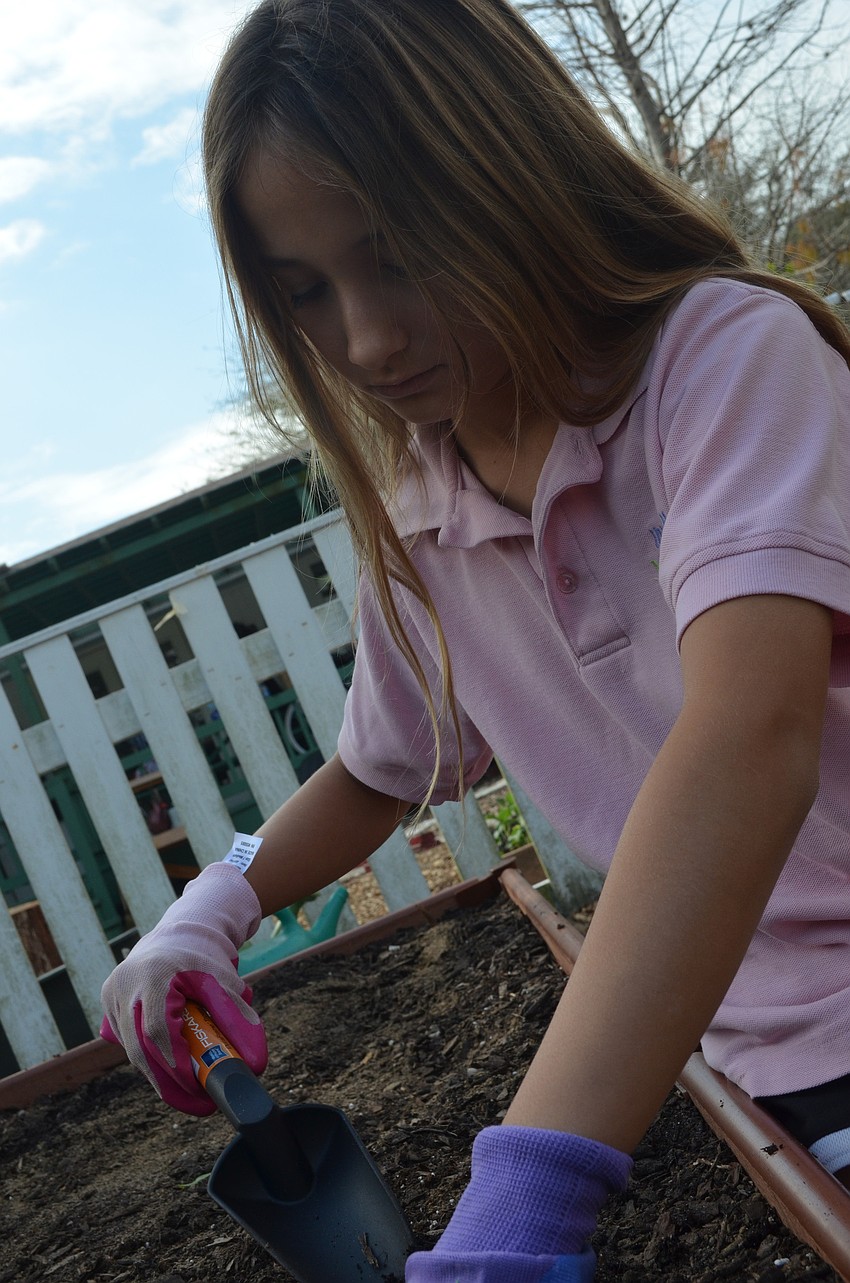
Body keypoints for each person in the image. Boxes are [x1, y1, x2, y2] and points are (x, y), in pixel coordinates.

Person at [100, 0, 850, 1278]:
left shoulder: (723, 361)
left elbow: (747, 735)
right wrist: (209, 910)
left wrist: (525, 1197)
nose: (367, 340)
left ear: (517, 179)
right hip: (753, 1050)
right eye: (306, 293)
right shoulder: (423, 514)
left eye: (400, 255)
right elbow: (374, 773)